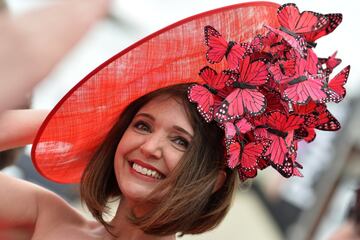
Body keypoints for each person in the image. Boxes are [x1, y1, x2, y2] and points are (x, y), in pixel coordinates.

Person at [0, 2, 350, 239]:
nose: (150, 147)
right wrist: (82, 117)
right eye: (141, 125)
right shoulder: (45, 218)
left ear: (214, 179)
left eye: (180, 141)